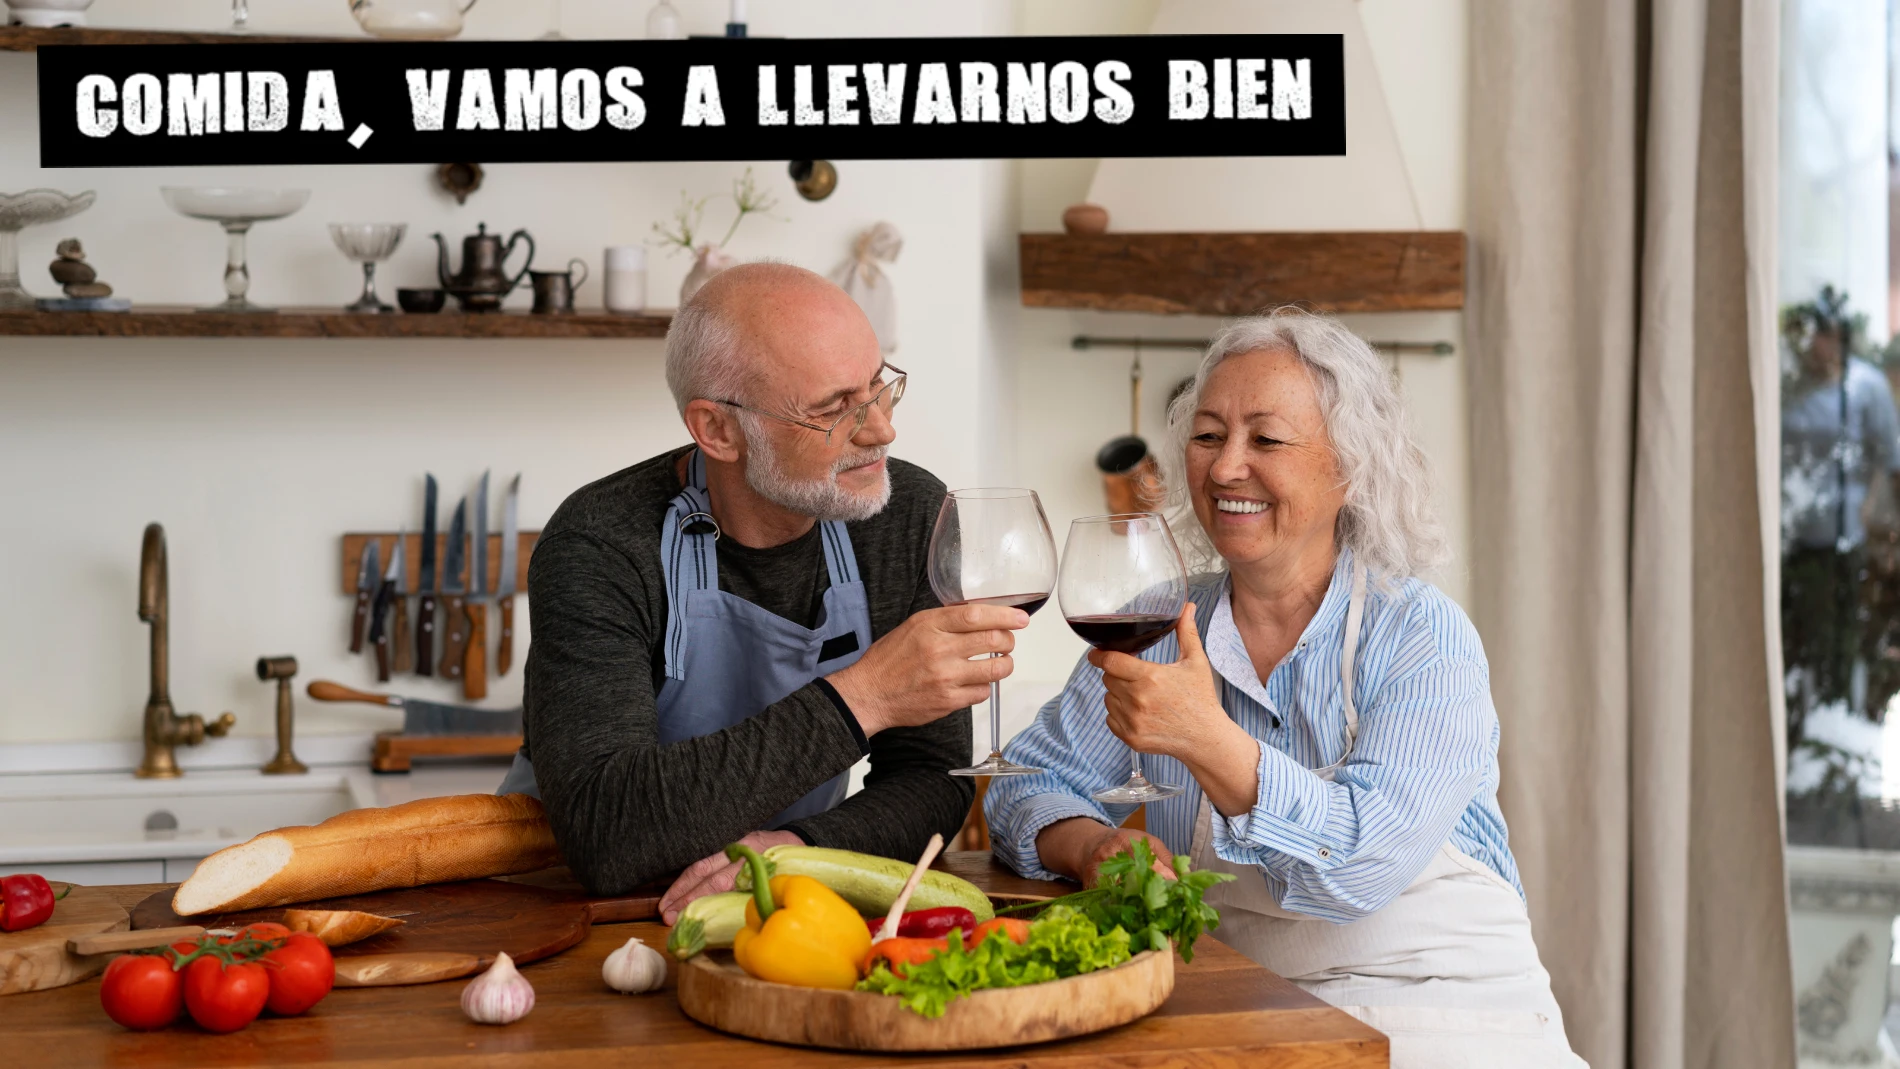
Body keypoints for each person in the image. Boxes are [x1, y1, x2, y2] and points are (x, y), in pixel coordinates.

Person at [986, 310, 1585, 1067]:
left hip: (1450, 1013)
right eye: (1208, 436)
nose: (1227, 467)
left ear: (1349, 468)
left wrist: (1206, 737)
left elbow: (1361, 866)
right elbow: (1026, 780)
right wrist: (1091, 846)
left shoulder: (1421, 636)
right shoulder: (1162, 622)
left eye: (1265, 439)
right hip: (1252, 1012)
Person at [502, 263, 1030, 920]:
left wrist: (794, 853)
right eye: (834, 407)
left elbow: (929, 779)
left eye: (878, 386)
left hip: (780, 901)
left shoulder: (904, 515)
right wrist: (864, 696)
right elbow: (608, 836)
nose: (880, 429)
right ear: (718, 429)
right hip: (580, 919)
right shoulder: (602, 542)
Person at [1779, 285, 1900, 747]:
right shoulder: (1790, 389)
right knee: (1799, 639)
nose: (1816, 345)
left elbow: (1886, 460)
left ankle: (1838, 728)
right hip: (1794, 535)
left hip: (1843, 537)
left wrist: (1873, 517)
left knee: (1840, 641)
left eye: (1825, 335)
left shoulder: (1863, 387)